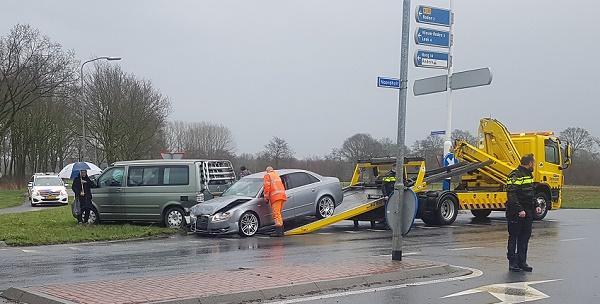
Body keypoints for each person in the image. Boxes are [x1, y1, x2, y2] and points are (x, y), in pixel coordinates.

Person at [506, 154, 542, 272]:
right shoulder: (515, 175)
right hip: (516, 212)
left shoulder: (529, 175)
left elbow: (530, 193)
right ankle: (512, 263)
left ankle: (522, 262)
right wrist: (519, 209)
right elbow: (511, 194)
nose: (534, 165)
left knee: (524, 237)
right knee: (514, 237)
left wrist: (536, 205)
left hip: (528, 211)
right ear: (530, 163)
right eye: (534, 163)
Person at [263, 166, 287, 237]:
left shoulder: (268, 175)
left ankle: (278, 232)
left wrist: (266, 197)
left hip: (275, 197)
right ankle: (281, 231)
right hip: (282, 196)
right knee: (279, 214)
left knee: (276, 214)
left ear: (267, 171)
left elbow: (267, 187)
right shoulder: (276, 175)